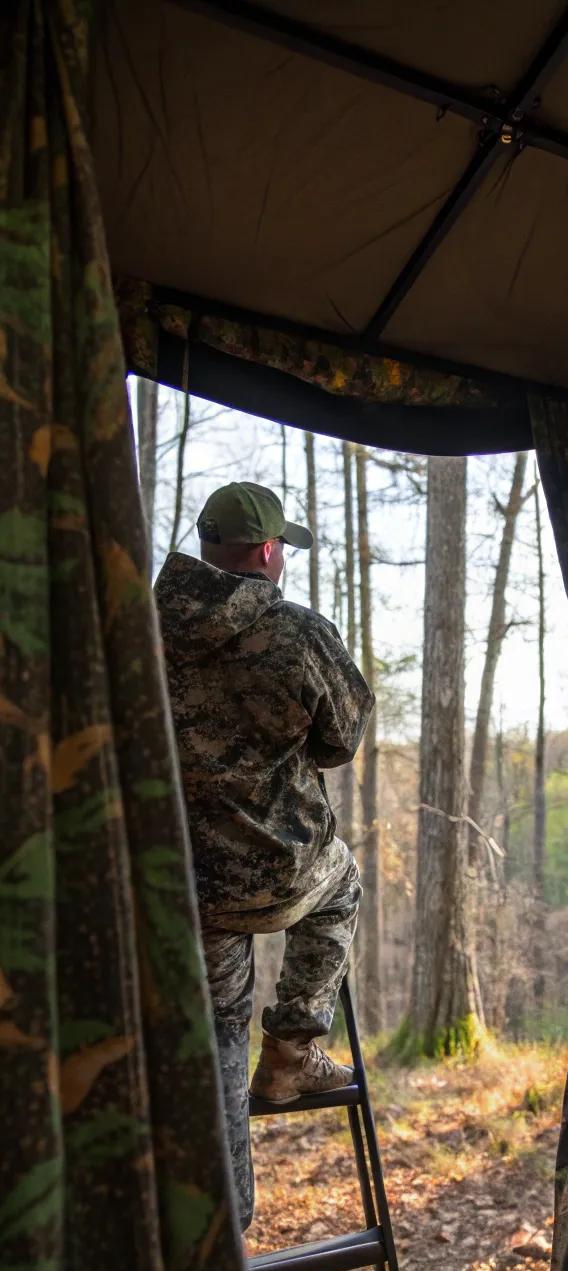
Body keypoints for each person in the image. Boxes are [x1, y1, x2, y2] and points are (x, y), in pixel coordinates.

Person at [155, 481, 373, 1229]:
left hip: (180, 883)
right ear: (268, 552)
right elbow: (341, 741)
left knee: (218, 1033)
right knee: (343, 882)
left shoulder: (137, 630)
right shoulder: (297, 633)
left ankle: (227, 1224)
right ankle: (290, 1052)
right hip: (282, 873)